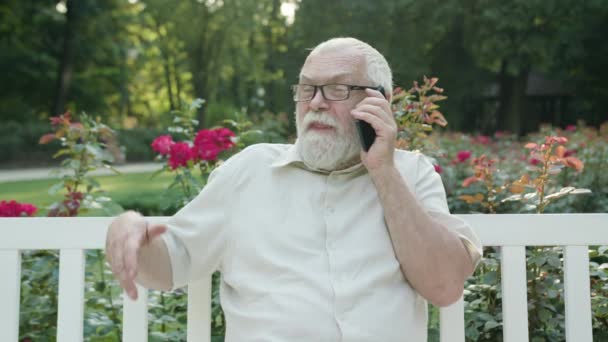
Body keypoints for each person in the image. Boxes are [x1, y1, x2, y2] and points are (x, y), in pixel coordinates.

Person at [106, 37, 482, 341]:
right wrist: (131, 233)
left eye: (336, 89)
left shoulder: (410, 173)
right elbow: (170, 263)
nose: (316, 103)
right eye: (306, 89)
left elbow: (444, 286)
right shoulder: (250, 171)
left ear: (378, 103)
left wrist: (382, 170)